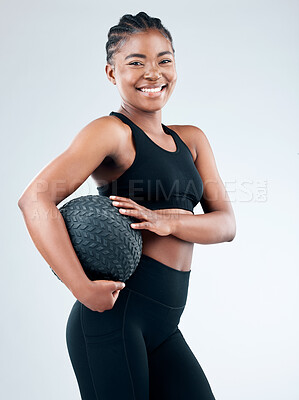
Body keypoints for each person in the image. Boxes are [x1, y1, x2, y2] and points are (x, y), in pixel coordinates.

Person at [18, 11, 236, 400]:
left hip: (165, 325)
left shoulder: (192, 139)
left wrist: (166, 221)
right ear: (110, 73)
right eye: (136, 62)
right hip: (113, 318)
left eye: (164, 60)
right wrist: (81, 288)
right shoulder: (112, 133)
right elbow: (35, 198)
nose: (153, 73)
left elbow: (225, 225)